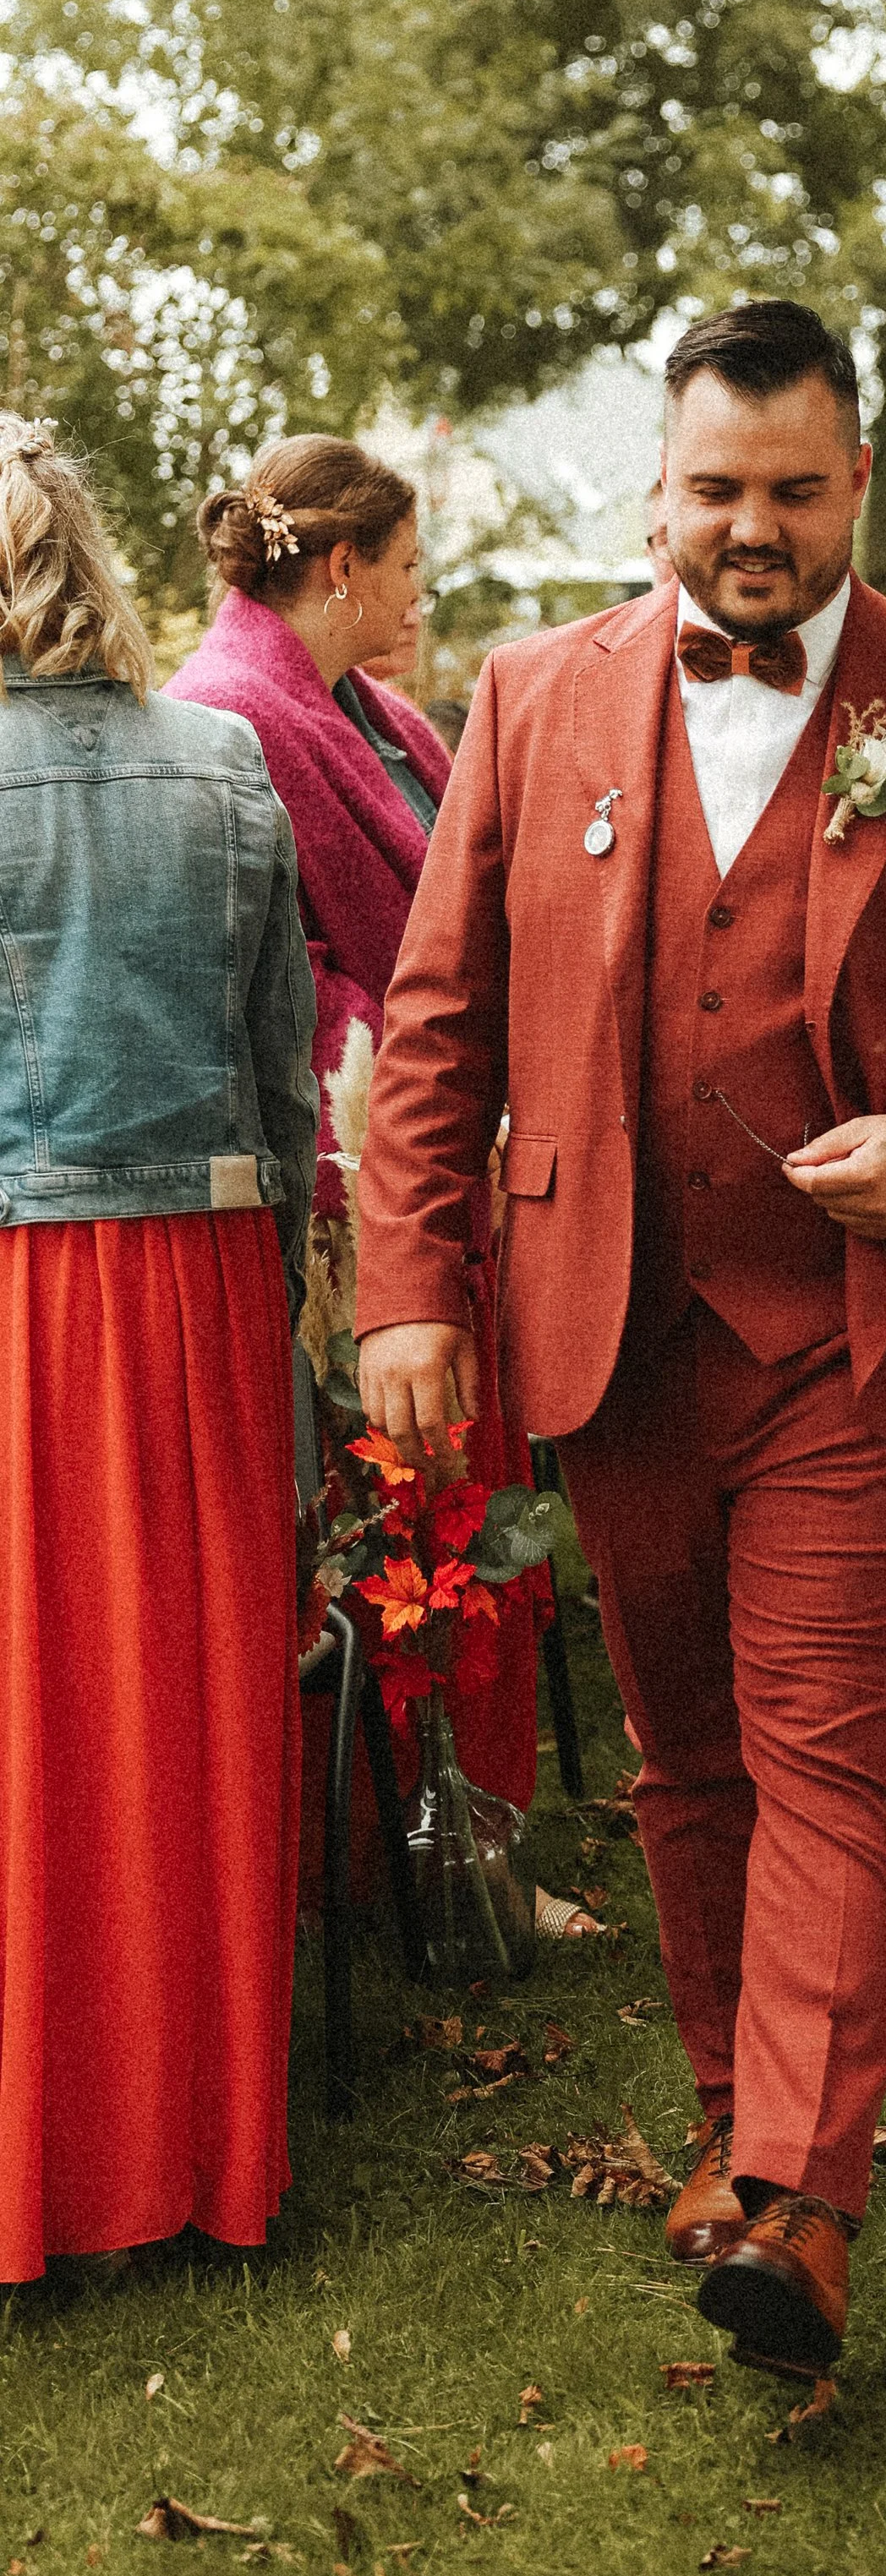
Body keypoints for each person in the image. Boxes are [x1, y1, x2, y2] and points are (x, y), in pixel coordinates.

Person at [351, 299, 886, 2382]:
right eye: (716, 489)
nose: (752, 529)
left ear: (858, 485)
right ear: (656, 488)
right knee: (684, 1755)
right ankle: (729, 2120)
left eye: (795, 491)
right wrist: (408, 1289)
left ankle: (804, 2200)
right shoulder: (533, 696)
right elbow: (438, 1024)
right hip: (608, 1323)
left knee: (825, 1743)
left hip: (863, 1341)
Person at [0, 415, 317, 2278]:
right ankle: (204, 2155)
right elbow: (281, 1074)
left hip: (20, 1287)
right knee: (186, 1715)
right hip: (197, 1276)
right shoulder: (225, 761)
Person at [166, 439, 553, 1904]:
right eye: (406, 562)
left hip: (460, 1156)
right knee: (399, 1531)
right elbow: (281, 981)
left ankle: (475, 1846)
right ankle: (395, 1862)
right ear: (342, 568)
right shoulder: (229, 714)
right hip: (357, 1192)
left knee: (471, 1515)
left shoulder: (377, 710)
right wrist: (424, 1057)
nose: (421, 586)